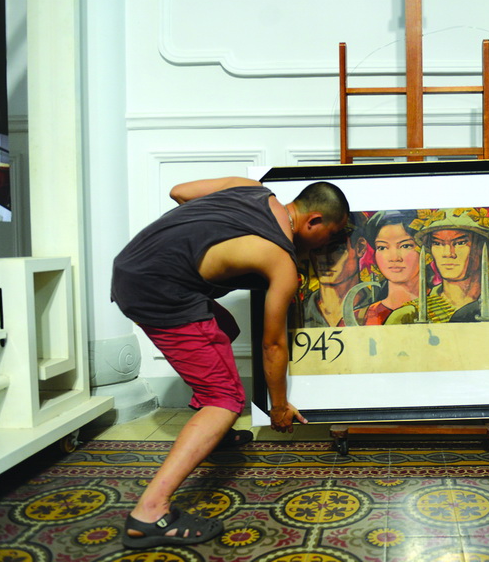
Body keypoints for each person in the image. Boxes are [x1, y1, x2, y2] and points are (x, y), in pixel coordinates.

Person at [111, 177, 349, 548]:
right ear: (313, 222)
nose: (330, 247)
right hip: (157, 288)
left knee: (225, 327)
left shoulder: (250, 189)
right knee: (224, 399)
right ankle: (149, 513)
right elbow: (273, 345)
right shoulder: (280, 259)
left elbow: (179, 192)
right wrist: (280, 406)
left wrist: (190, 240)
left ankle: (213, 435)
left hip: (132, 263)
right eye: (332, 237)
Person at [297, 213, 368, 327]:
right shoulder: (297, 313)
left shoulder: (380, 309)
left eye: (336, 248)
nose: (324, 258)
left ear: (360, 247)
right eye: (317, 248)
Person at [356, 210, 422, 325]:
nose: (394, 258)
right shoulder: (359, 317)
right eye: (382, 247)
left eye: (405, 246)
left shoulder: (446, 306)